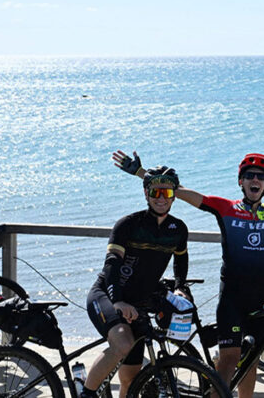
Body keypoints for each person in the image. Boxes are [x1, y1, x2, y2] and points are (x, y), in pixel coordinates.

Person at [112, 150, 264, 398]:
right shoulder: (226, 208)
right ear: (241, 182)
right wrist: (140, 173)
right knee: (229, 359)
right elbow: (180, 192)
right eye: (250, 175)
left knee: (251, 360)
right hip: (232, 299)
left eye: (261, 177)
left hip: (260, 300)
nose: (255, 180)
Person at [80, 166, 191, 398]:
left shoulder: (178, 229)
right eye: (155, 193)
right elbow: (111, 264)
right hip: (107, 295)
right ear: (145, 193)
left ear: (174, 196)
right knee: (122, 343)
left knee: (131, 377)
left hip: (138, 303)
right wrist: (118, 301)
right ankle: (86, 394)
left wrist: (181, 288)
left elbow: (181, 261)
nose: (161, 199)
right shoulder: (128, 224)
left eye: (167, 193)